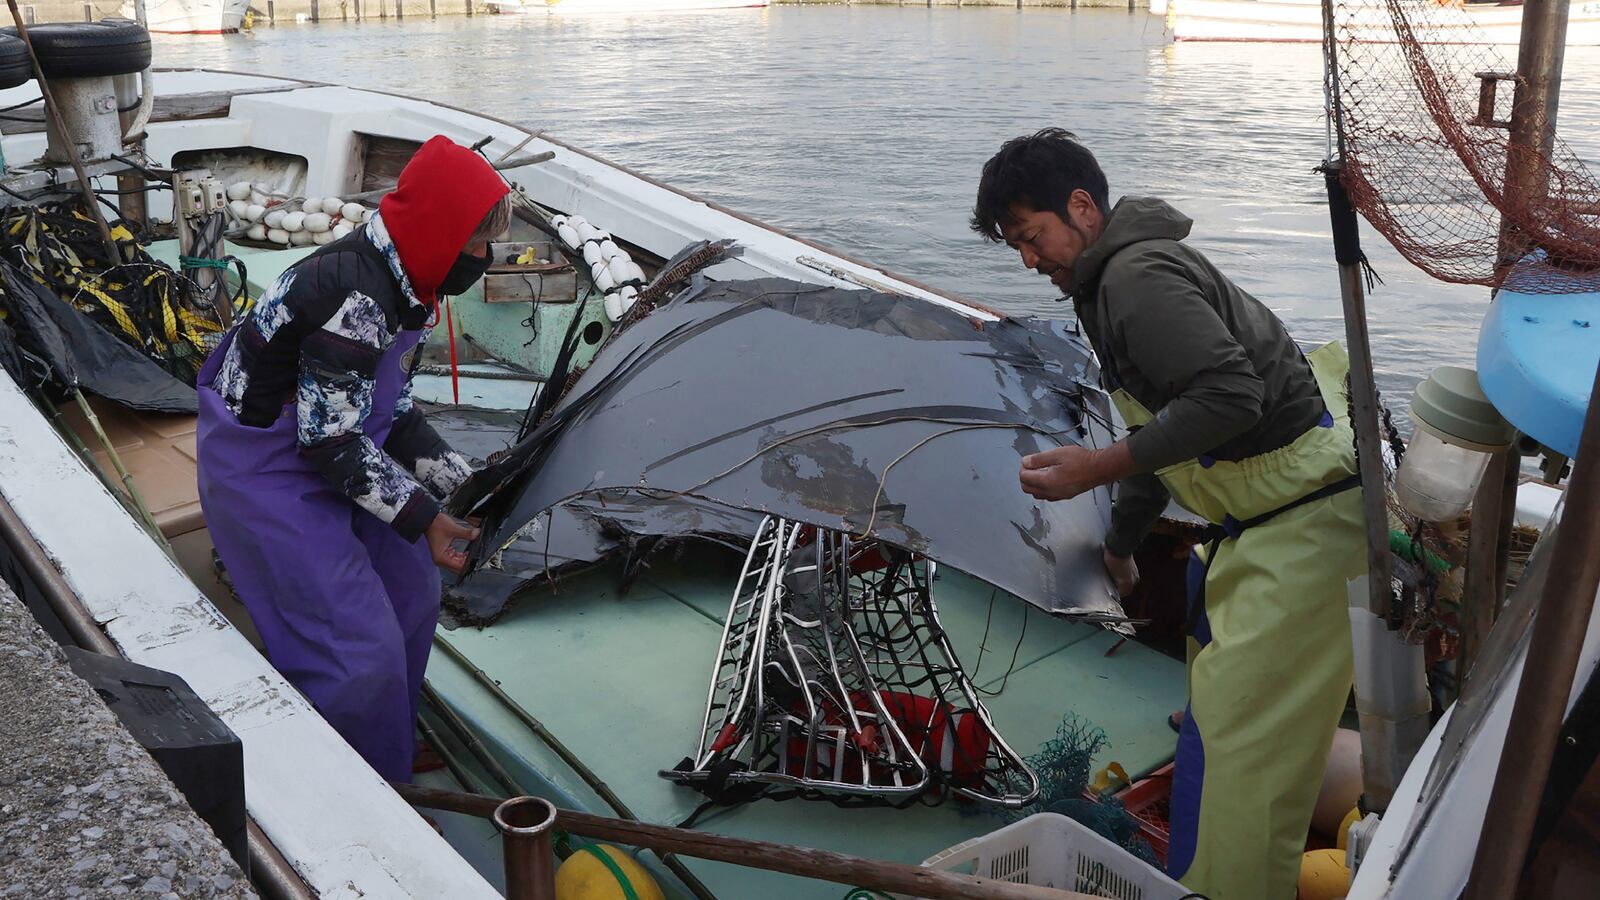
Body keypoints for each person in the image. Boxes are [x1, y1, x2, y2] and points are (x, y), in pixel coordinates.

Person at [972, 128, 1367, 899]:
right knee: (1225, 734)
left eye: (1032, 235)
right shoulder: (1106, 283)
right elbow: (1160, 430)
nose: (1028, 259)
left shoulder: (1135, 279)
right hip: (1262, 520)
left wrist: (1093, 467)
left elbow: (1228, 398)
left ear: (1082, 207)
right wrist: (1122, 543)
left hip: (1305, 523)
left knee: (1240, 765)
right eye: (1015, 245)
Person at [196, 136, 510, 783]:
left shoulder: (411, 281)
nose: (485, 257)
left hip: (342, 447)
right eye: (477, 242)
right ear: (440, 231)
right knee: (356, 649)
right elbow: (327, 441)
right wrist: (426, 518)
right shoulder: (356, 297)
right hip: (268, 467)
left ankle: (386, 730)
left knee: (415, 594)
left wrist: (470, 485)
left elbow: (390, 415)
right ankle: (361, 786)